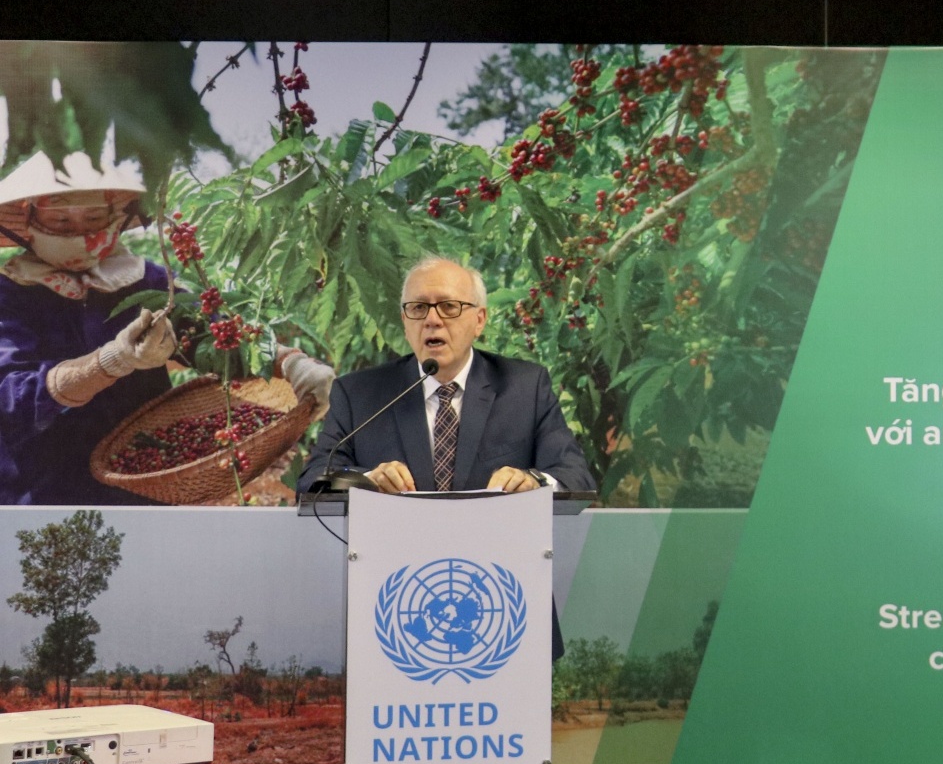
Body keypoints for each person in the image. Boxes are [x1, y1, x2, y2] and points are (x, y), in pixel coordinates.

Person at [0, 150, 334, 504]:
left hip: (141, 483)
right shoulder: (9, 293)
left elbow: (209, 335)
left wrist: (287, 362)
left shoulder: (145, 281)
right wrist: (108, 363)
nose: (79, 233)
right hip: (39, 490)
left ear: (114, 218)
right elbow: (10, 395)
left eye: (94, 218)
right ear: (29, 222)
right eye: (60, 221)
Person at [297, 256, 594, 495]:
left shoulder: (525, 389)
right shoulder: (358, 394)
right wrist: (367, 480)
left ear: (479, 320)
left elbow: (575, 476)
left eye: (449, 307)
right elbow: (313, 480)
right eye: (418, 308)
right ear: (405, 322)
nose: (432, 320)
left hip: (495, 548)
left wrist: (534, 482)